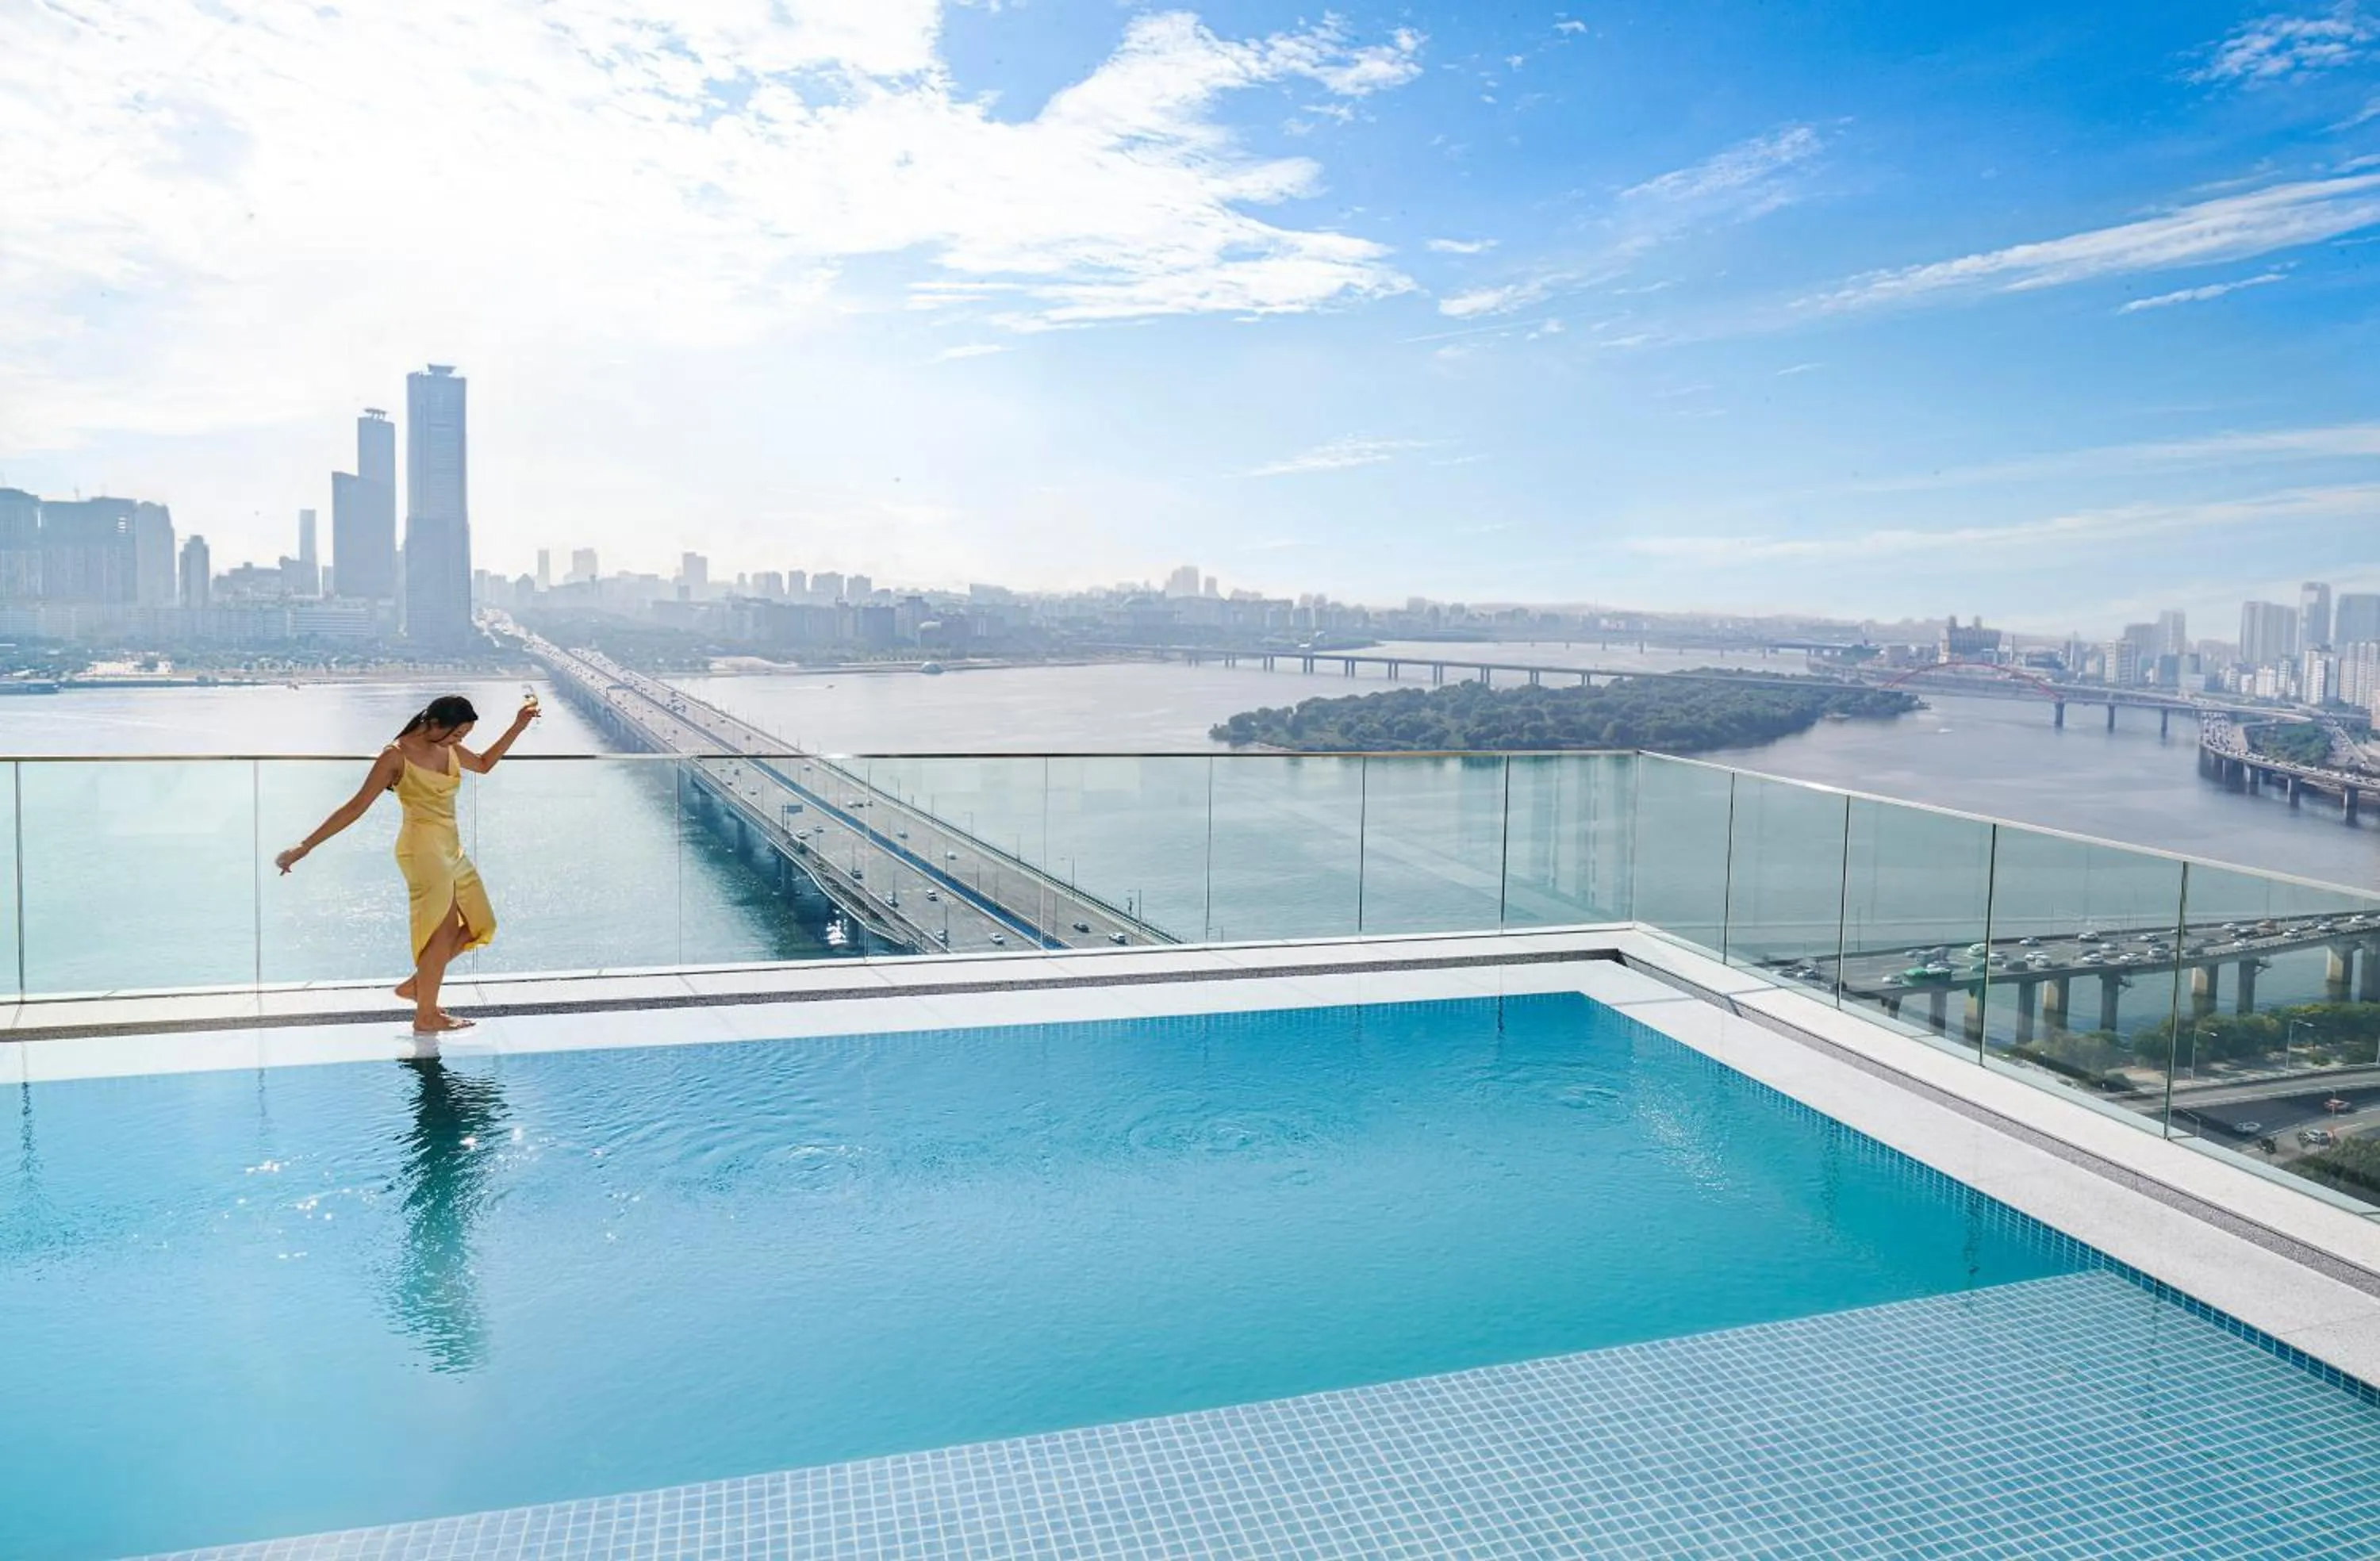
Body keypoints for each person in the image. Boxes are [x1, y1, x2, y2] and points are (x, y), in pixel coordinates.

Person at [274, 693, 539, 1034]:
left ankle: (418, 986)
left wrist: (517, 726)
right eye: (457, 734)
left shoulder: (449, 748)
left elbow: (485, 764)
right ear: (434, 724)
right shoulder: (395, 756)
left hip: (451, 848)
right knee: (442, 932)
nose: (460, 742)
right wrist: (305, 846)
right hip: (421, 849)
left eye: (464, 736)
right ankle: (426, 1014)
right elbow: (356, 807)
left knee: (480, 925)